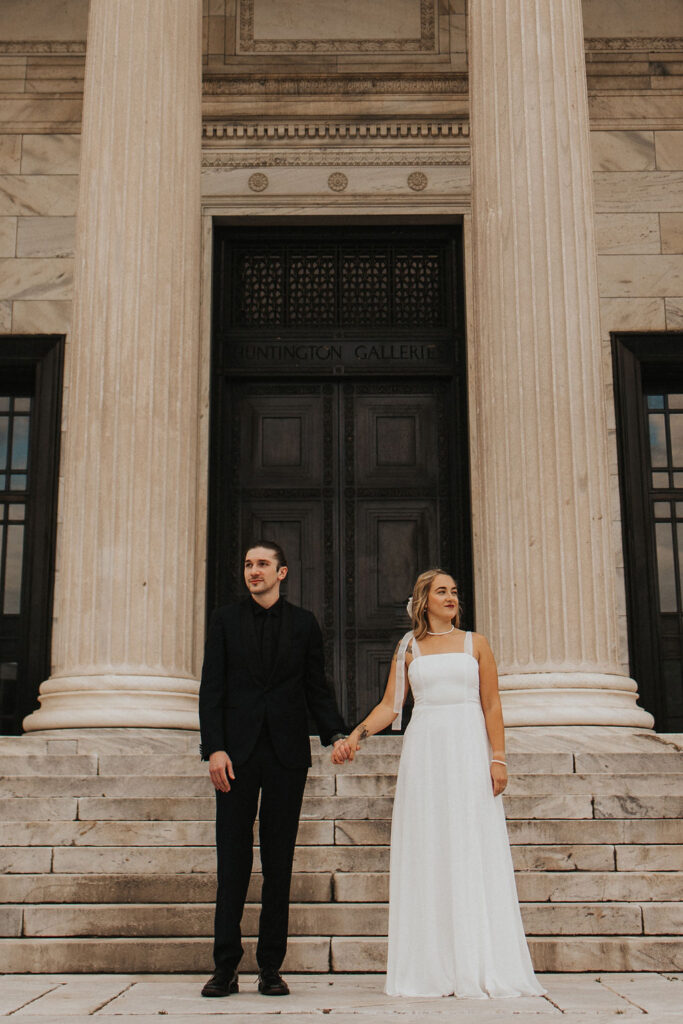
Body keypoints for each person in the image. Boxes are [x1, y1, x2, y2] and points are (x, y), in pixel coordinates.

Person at [333, 568, 545, 999]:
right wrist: (356, 735)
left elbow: (491, 704)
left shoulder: (476, 644)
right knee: (431, 846)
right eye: (441, 591)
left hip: (469, 749)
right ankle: (433, 965)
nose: (450, 597)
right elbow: (392, 707)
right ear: (423, 600)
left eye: (453, 591)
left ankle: (479, 959)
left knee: (471, 844)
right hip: (426, 754)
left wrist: (498, 758)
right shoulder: (408, 647)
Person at [199, 541, 348, 998]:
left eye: (262, 564)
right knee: (233, 863)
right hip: (236, 757)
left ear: (282, 573)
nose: (253, 571)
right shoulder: (225, 621)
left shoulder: (304, 625)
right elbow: (212, 688)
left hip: (286, 755)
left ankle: (270, 967)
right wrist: (215, 750)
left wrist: (336, 734)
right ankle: (225, 967)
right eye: (247, 564)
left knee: (278, 863)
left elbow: (315, 686)